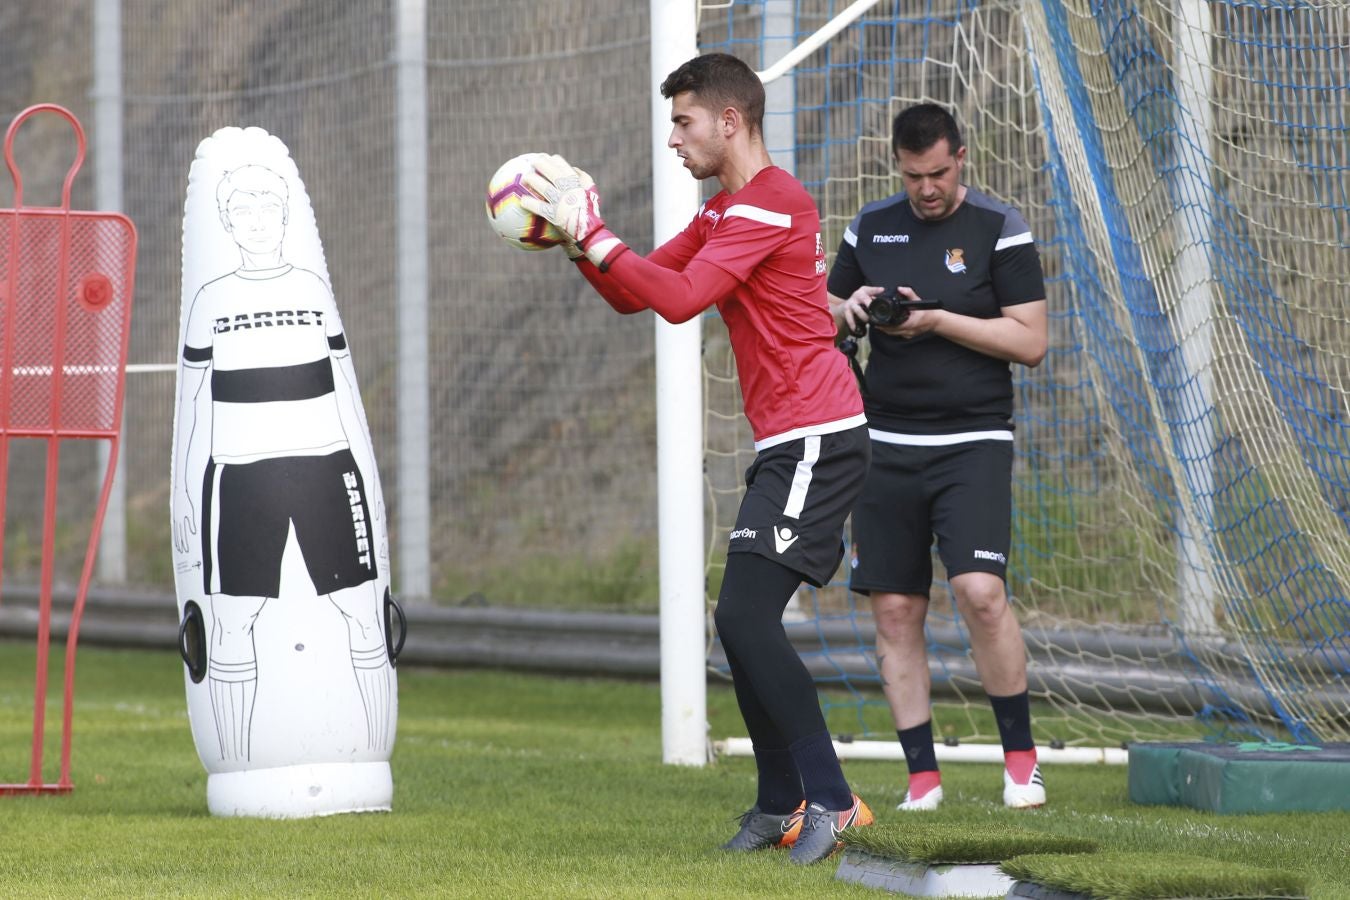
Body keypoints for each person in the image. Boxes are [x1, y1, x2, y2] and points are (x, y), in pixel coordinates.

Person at [519, 52, 873, 864]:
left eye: (684, 122)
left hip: (820, 437)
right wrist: (578, 244)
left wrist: (596, 232)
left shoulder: (772, 203)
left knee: (745, 619)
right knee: (737, 623)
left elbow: (680, 301)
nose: (674, 138)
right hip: (789, 441)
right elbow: (635, 292)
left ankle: (831, 799)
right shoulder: (723, 213)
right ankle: (779, 805)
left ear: (730, 121)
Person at [826, 103, 1048, 811]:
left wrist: (939, 320)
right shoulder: (871, 225)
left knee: (980, 593)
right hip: (884, 441)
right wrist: (849, 306)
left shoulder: (999, 227)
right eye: (913, 176)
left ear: (962, 158)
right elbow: (822, 311)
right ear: (898, 166)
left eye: (939, 174)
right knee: (894, 610)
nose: (927, 189)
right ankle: (922, 781)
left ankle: (1022, 765)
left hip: (973, 439)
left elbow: (1031, 341)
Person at [174, 164, 394, 760]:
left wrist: (367, 487)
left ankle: (368, 756)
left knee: (361, 612)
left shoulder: (312, 292)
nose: (256, 222)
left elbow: (344, 389)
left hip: (327, 469)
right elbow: (193, 402)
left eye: (267, 209)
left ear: (284, 217)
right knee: (232, 621)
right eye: (242, 212)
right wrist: (188, 494)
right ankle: (240, 766)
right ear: (227, 223)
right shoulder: (211, 301)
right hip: (240, 476)